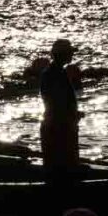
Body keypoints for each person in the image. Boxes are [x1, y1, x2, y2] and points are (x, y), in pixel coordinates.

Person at [38, 38, 80, 171]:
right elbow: (58, 103)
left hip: (57, 125)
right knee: (63, 167)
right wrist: (72, 114)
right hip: (59, 127)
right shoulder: (55, 74)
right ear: (63, 55)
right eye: (70, 52)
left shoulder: (54, 72)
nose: (72, 55)